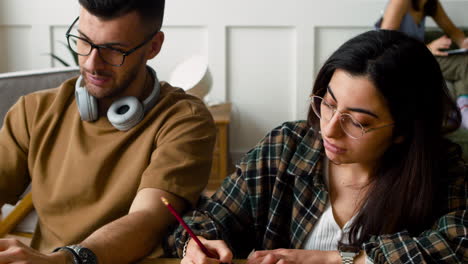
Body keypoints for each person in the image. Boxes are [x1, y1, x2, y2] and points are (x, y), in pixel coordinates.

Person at [163, 30, 467, 264]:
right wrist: (197, 244)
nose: (330, 129)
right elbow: (209, 218)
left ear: (404, 130)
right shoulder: (288, 147)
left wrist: (337, 259)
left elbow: (458, 243)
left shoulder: (443, 169)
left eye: (357, 121)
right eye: (329, 104)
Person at [0, 0, 216, 263]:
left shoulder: (185, 120)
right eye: (83, 40)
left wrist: (67, 260)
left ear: (153, 46)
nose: (92, 63)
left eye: (114, 50)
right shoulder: (32, 111)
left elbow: (148, 221)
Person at [376, 0, 468, 129]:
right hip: (397, 59)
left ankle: (463, 109)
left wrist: (463, 42)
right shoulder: (400, 2)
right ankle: (462, 111)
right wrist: (428, 48)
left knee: (464, 63)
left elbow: (453, 31)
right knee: (462, 65)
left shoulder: (431, 3)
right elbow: (384, 43)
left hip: (418, 56)